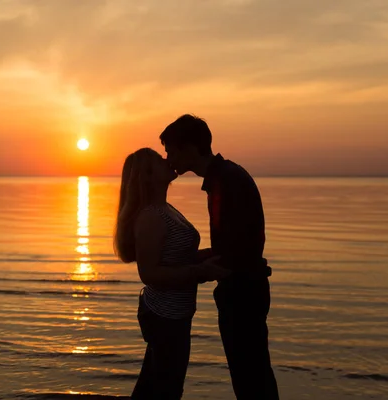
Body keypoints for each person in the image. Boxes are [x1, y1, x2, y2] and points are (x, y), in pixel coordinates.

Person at [160, 114, 280, 399]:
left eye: (171, 151)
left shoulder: (227, 181)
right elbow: (230, 247)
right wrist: (191, 263)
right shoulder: (223, 178)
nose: (168, 160)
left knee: (251, 378)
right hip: (243, 289)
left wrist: (188, 270)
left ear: (189, 148)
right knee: (252, 375)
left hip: (242, 292)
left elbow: (235, 253)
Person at [114, 147, 229, 400]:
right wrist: (200, 272)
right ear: (147, 176)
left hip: (174, 313)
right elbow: (149, 273)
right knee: (167, 387)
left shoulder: (165, 209)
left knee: (154, 385)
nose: (167, 160)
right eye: (159, 161)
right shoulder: (150, 217)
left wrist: (214, 255)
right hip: (164, 315)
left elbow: (178, 257)